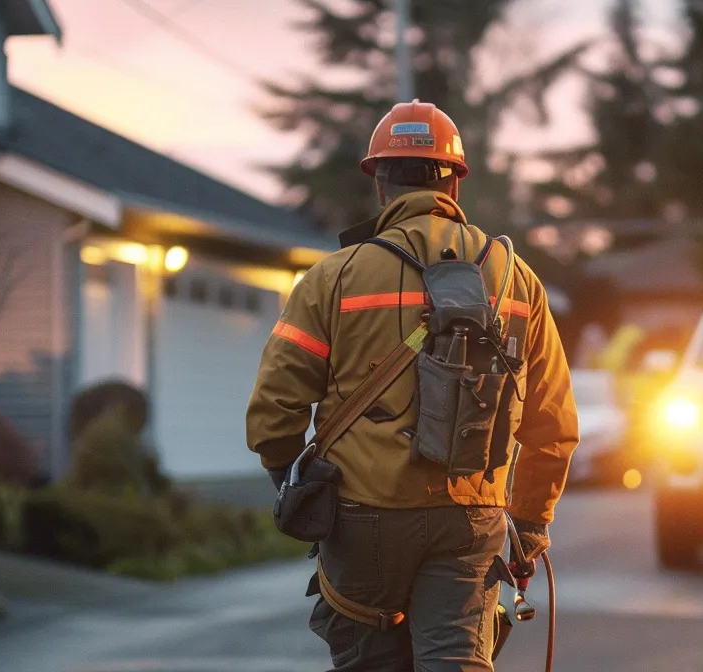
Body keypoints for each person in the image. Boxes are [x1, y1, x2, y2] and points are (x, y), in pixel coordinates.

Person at [246, 100, 580, 671]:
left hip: (362, 514)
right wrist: (529, 524)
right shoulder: (517, 280)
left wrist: (293, 482)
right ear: (454, 183)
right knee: (456, 659)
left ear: (381, 183)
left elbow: (274, 409)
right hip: (471, 512)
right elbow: (551, 424)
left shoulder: (335, 277)